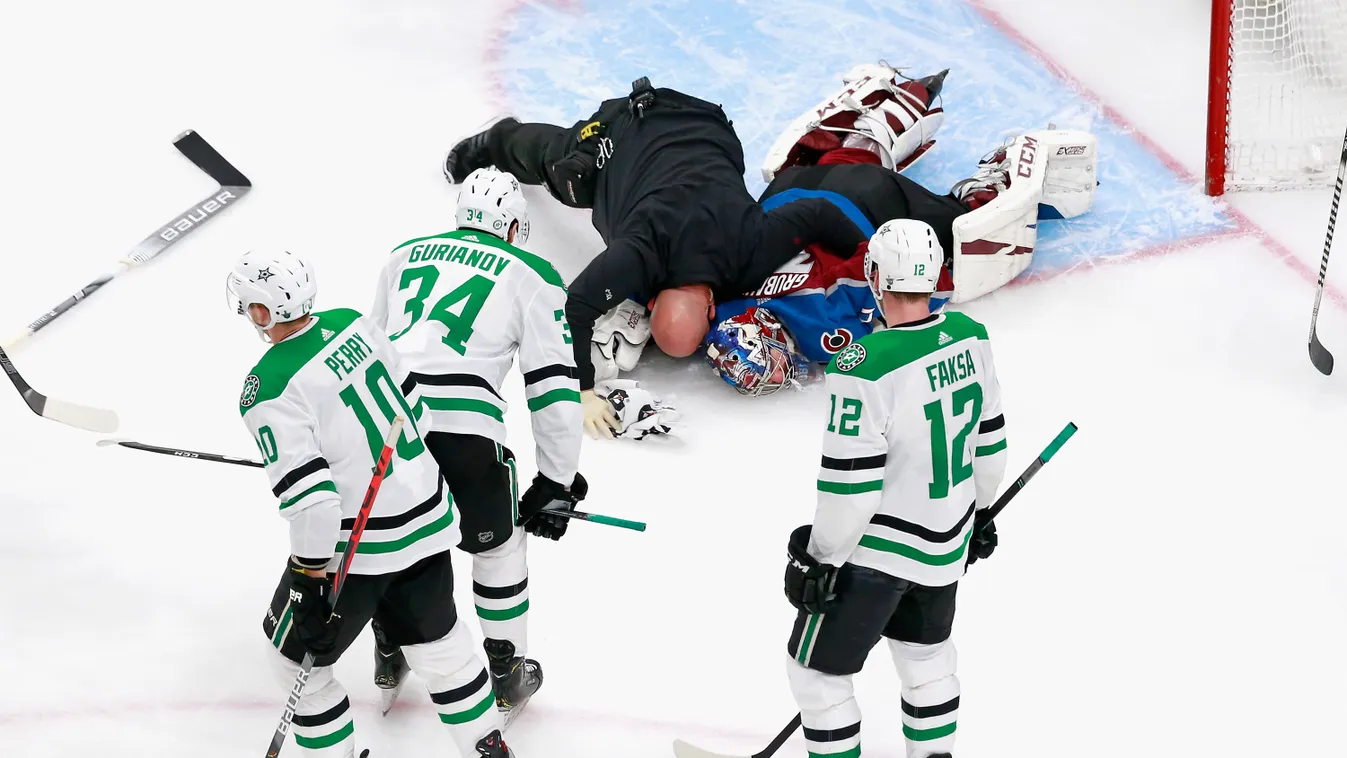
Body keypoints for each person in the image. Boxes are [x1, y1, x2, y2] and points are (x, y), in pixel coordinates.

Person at [441, 77, 873, 438]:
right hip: (636, 128)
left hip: (706, 128)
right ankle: (499, 138)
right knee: (569, 175)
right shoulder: (641, 254)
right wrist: (583, 390)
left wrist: (871, 261)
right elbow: (573, 306)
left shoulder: (751, 246)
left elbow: (819, 213)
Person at [228, 250, 517, 757]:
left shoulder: (267, 386)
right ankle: (489, 750)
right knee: (443, 651)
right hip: (427, 517)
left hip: (359, 553)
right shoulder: (352, 324)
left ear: (261, 311)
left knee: (295, 664)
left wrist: (308, 580)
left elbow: (316, 505)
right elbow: (416, 412)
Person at [781, 219, 1009, 758]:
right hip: (943, 545)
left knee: (815, 675)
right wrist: (977, 514)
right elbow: (991, 448)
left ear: (876, 277)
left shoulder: (865, 365)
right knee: (927, 660)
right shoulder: (971, 338)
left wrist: (820, 559)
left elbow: (851, 487)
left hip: (875, 555)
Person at [368, 167, 587, 720]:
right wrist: (556, 481)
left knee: (395, 538)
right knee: (498, 544)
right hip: (464, 435)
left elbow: (368, 352)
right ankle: (505, 667)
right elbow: (553, 391)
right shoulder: (532, 274)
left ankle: (390, 647)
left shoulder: (403, 255)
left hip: (387, 426)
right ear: (512, 227)